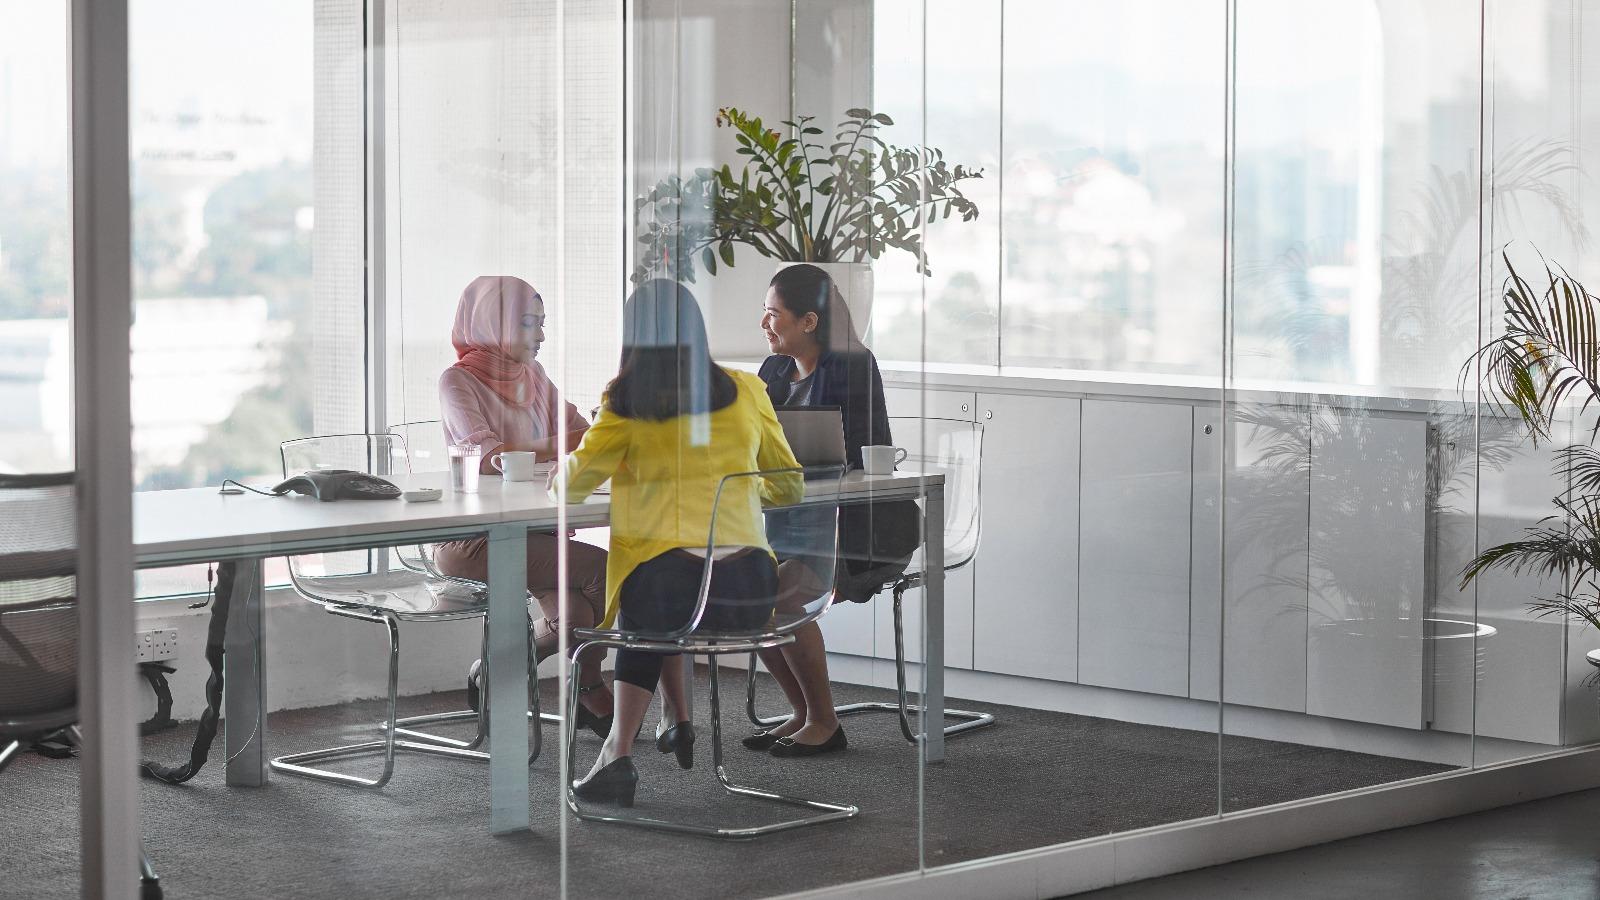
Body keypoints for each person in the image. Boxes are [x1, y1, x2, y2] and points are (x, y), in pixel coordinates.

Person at [554, 279, 803, 806]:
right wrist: (735, 484)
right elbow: (790, 484)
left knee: (651, 598)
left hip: (673, 595)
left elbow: (570, 487)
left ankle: (616, 755)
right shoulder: (747, 389)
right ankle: (669, 719)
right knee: (657, 594)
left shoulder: (624, 403)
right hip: (751, 592)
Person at [747, 264, 920, 757]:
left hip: (857, 527)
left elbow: (863, 456)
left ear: (808, 320)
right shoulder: (773, 371)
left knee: (775, 600)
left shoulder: (852, 363)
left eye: (772, 313)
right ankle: (803, 714)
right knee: (751, 603)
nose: (764, 323)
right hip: (790, 520)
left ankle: (826, 723)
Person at [433, 275, 614, 736]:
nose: (541, 336)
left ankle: (492, 669)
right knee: (606, 574)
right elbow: (492, 458)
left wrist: (576, 439)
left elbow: (590, 435)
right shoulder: (457, 381)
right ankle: (590, 686)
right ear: (492, 323)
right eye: (530, 324)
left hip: (537, 531)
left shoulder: (533, 377)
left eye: (542, 323)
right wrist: (567, 442)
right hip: (474, 539)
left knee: (577, 617)